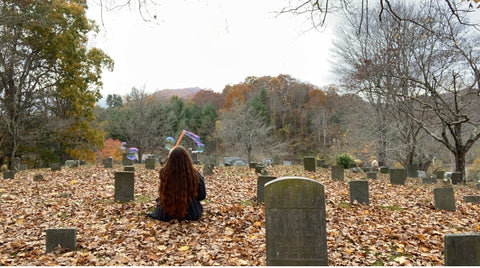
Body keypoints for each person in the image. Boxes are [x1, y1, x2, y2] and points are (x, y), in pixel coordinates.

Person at [147, 146, 206, 221]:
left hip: (166, 214)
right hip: (191, 214)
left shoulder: (163, 173)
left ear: (170, 160)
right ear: (187, 159)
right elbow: (202, 196)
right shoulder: (195, 175)